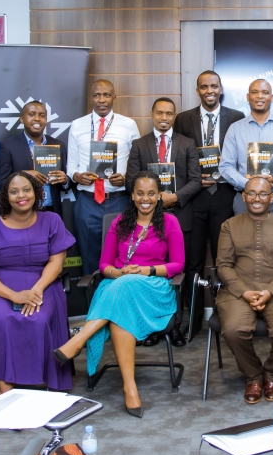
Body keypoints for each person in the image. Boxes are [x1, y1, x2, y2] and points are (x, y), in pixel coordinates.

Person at [53, 171, 184, 417]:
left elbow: (178, 265)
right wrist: (120, 272)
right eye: (140, 193)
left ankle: (80, 339)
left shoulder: (169, 222)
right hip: (118, 286)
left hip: (153, 288)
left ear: (159, 196)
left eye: (151, 193)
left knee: (125, 289)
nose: (146, 198)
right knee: (122, 300)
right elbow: (104, 266)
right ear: (132, 195)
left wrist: (146, 270)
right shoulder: (119, 222)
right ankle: (129, 386)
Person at [0, 171, 75, 397]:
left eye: (27, 190)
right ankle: (6, 390)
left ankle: (35, 378)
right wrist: (14, 296)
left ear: (37, 193)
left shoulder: (52, 221)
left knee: (37, 319)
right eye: (14, 191)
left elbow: (56, 263)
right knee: (0, 318)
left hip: (42, 284)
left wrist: (36, 290)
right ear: (5, 197)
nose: (22, 195)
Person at [216, 177, 273, 404]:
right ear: (243, 197)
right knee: (234, 329)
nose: (257, 198)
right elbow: (223, 266)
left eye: (263, 194)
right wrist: (244, 292)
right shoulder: (229, 225)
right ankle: (253, 375)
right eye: (251, 193)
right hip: (237, 292)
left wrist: (270, 292)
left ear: (272, 198)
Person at [173, 70, 244, 337]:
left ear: (221, 88)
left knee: (224, 259)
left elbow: (241, 157)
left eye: (214, 86)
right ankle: (191, 321)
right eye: (204, 87)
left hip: (225, 195)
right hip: (192, 198)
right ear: (198, 90)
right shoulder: (182, 119)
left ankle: (226, 318)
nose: (209, 91)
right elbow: (178, 157)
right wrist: (191, 181)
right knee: (192, 261)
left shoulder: (236, 118)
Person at [127, 97, 201, 346]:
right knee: (152, 273)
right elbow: (131, 181)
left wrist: (174, 198)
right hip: (146, 218)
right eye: (159, 113)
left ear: (174, 116)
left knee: (179, 271)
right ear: (152, 114)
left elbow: (196, 180)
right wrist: (153, 198)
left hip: (180, 216)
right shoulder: (139, 144)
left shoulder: (187, 143)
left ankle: (176, 326)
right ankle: (152, 327)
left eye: (169, 114)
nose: (164, 118)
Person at [67, 79, 140, 275]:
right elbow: (71, 165)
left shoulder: (129, 125)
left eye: (106, 95)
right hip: (87, 202)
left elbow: (137, 163)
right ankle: (93, 303)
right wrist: (77, 176)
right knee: (89, 260)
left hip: (119, 200)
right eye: (97, 95)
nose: (102, 99)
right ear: (91, 98)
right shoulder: (77, 125)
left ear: (114, 98)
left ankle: (117, 302)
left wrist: (126, 179)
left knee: (122, 258)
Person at [219, 79, 273, 224]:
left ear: (272, 98)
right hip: (245, 201)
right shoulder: (235, 129)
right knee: (244, 245)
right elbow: (225, 166)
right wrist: (248, 185)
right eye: (255, 92)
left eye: (265, 93)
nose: (260, 96)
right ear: (248, 97)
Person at [0, 100, 69, 214]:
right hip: (21, 213)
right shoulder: (8, 146)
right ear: (22, 119)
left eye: (42, 115)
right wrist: (24, 175)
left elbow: (66, 181)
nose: (37, 119)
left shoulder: (58, 145)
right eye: (31, 114)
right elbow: (2, 183)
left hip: (51, 211)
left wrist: (65, 180)